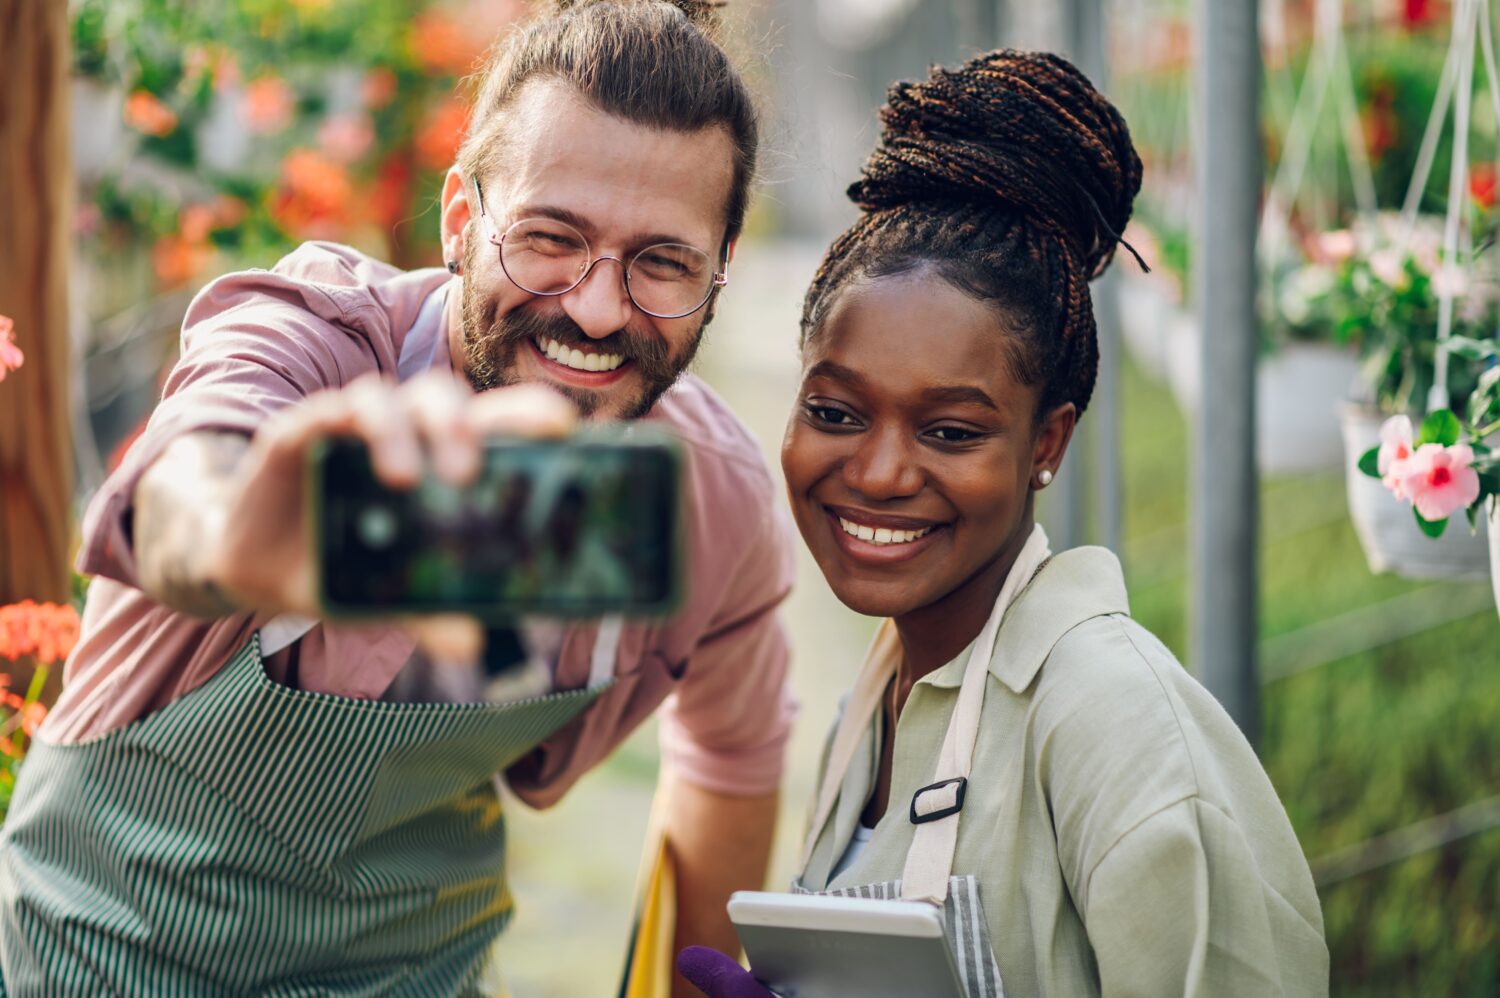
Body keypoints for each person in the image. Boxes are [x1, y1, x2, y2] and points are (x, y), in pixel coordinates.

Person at [0, 2, 796, 994]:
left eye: (663, 262)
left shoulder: (708, 498)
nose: (596, 308)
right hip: (101, 961)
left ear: (720, 272)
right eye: (550, 238)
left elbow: (729, 758)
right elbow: (182, 487)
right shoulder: (315, 342)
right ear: (462, 220)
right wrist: (258, 535)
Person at [678, 49, 1329, 998]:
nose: (879, 472)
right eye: (835, 412)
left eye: (949, 430)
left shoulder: (1118, 727)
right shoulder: (883, 694)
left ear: (1046, 443)